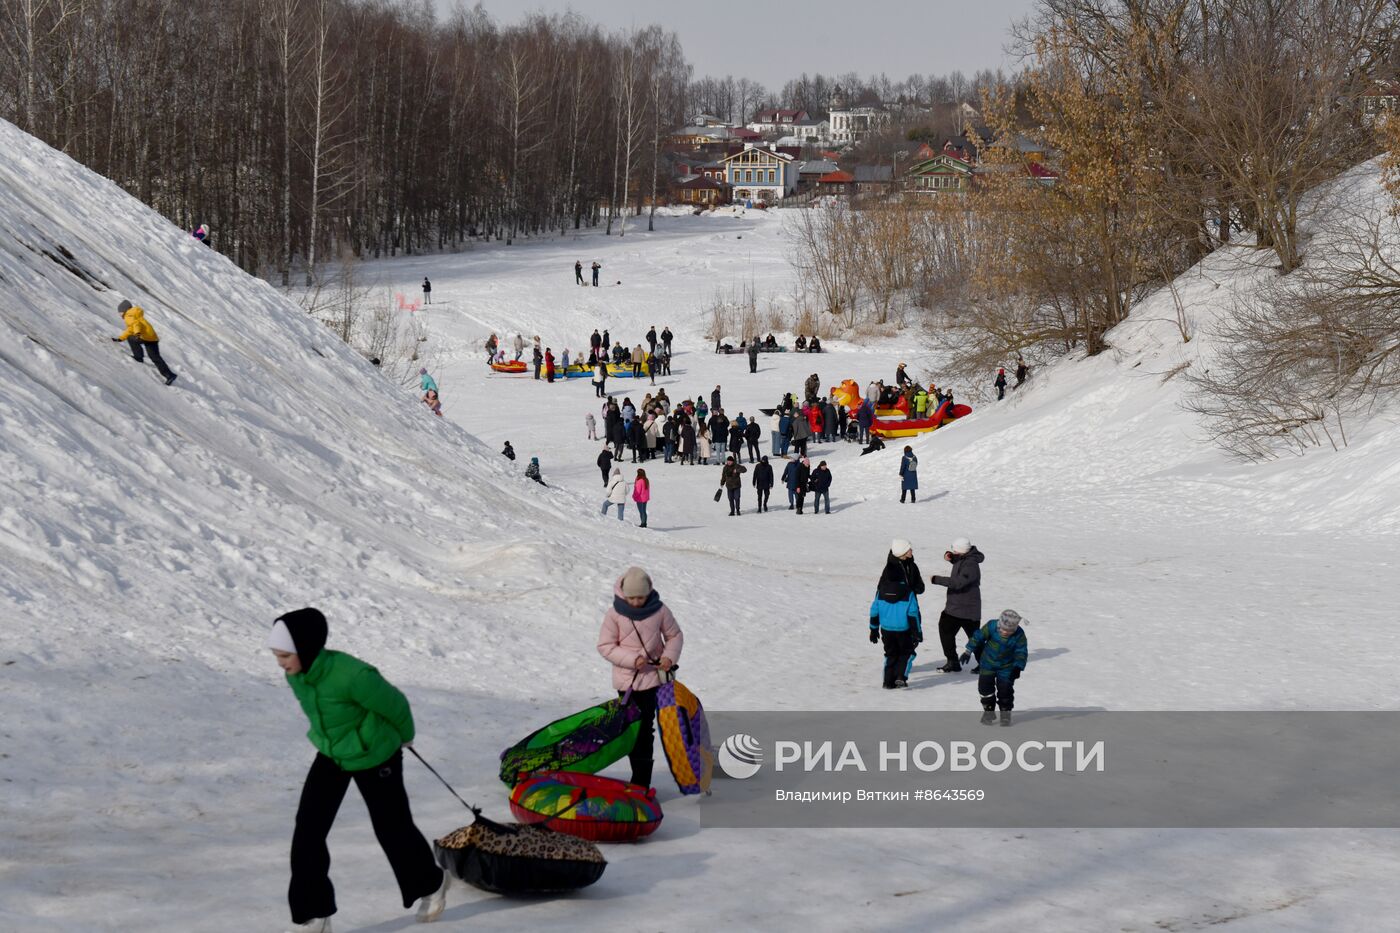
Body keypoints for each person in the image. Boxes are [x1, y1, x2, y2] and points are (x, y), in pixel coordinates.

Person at [267, 608, 449, 930]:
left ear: (306, 649)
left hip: (375, 754)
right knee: (308, 829)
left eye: (284, 655)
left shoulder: (353, 675)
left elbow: (396, 704)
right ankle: (315, 913)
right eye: (277, 655)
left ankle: (431, 884)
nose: (280, 663)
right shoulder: (298, 675)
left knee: (391, 827)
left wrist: (405, 738)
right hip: (333, 753)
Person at [597, 567, 683, 787]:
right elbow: (606, 646)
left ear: (649, 592)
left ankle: (641, 783)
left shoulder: (660, 610)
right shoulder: (614, 614)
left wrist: (668, 657)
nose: (636, 602)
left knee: (645, 730)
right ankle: (637, 777)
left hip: (653, 680)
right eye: (631, 598)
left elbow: (674, 635)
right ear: (624, 594)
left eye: (641, 597)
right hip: (627, 682)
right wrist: (632, 659)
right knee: (632, 730)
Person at [868, 541, 925, 688]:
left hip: (893, 619)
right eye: (909, 549)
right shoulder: (890, 569)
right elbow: (881, 589)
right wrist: (917, 632)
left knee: (892, 653)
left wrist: (873, 628)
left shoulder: (912, 566)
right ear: (902, 552)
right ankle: (900, 675)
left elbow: (920, 587)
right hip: (905, 615)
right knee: (906, 651)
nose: (912, 550)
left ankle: (888, 681)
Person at [930, 537, 985, 673]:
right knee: (945, 631)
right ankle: (953, 662)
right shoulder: (965, 557)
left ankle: (985, 665)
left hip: (968, 609)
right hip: (955, 607)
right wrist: (951, 557)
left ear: (961, 550)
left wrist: (937, 579)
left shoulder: (971, 565)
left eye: (955, 550)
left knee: (975, 638)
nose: (953, 551)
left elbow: (958, 582)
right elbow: (959, 560)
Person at [966, 610, 1027, 726]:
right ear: (999, 624)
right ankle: (988, 711)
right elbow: (978, 636)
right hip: (987, 663)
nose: (1006, 632)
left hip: (1007, 667)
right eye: (1003, 629)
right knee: (984, 688)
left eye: (1010, 631)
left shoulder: (1019, 634)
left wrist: (1018, 667)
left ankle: (1005, 713)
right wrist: (968, 651)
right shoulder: (991, 626)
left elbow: (1021, 651)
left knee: (1005, 690)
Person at [111, 300, 178, 385]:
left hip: (144, 337)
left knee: (132, 339)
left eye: (120, 313)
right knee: (155, 357)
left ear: (124, 310)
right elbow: (130, 329)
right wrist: (121, 338)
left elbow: (136, 325)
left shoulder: (129, 316)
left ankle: (138, 357)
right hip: (151, 337)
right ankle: (169, 375)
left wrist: (137, 333)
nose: (120, 315)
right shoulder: (135, 314)